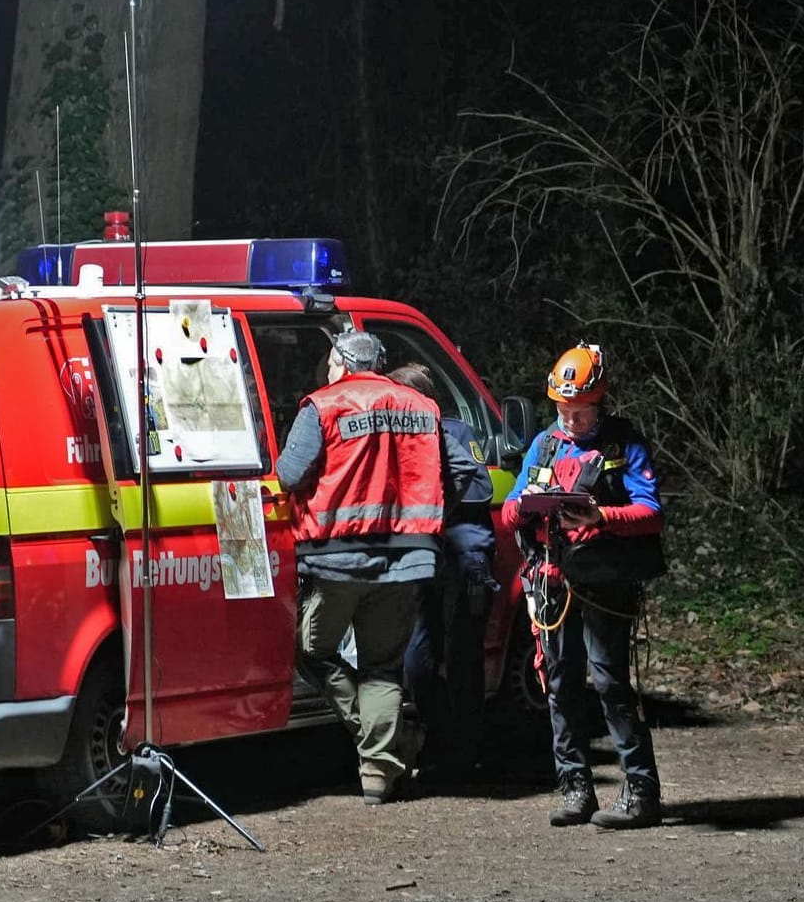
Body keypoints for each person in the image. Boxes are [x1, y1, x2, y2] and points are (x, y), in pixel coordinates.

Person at [278, 330, 477, 805]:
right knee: (383, 668)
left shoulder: (323, 406)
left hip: (335, 559)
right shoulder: (421, 408)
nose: (327, 372)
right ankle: (378, 772)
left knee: (311, 651)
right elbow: (453, 476)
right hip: (406, 560)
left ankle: (375, 745)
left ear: (344, 365)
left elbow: (289, 473)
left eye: (330, 364)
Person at [503, 342, 667, 829]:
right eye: (564, 410)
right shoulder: (545, 444)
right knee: (559, 681)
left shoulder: (624, 445)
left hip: (605, 581)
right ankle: (574, 784)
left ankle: (641, 789)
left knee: (612, 681)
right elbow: (512, 504)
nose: (571, 420)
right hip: (552, 580)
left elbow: (651, 512)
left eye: (582, 411)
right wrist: (526, 504)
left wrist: (603, 516)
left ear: (601, 401)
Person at [386, 363, 497, 782]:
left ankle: (465, 755)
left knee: (463, 658)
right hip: (423, 557)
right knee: (417, 660)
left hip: (465, 560)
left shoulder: (455, 433)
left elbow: (479, 486)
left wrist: (439, 507)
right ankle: (439, 737)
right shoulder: (398, 439)